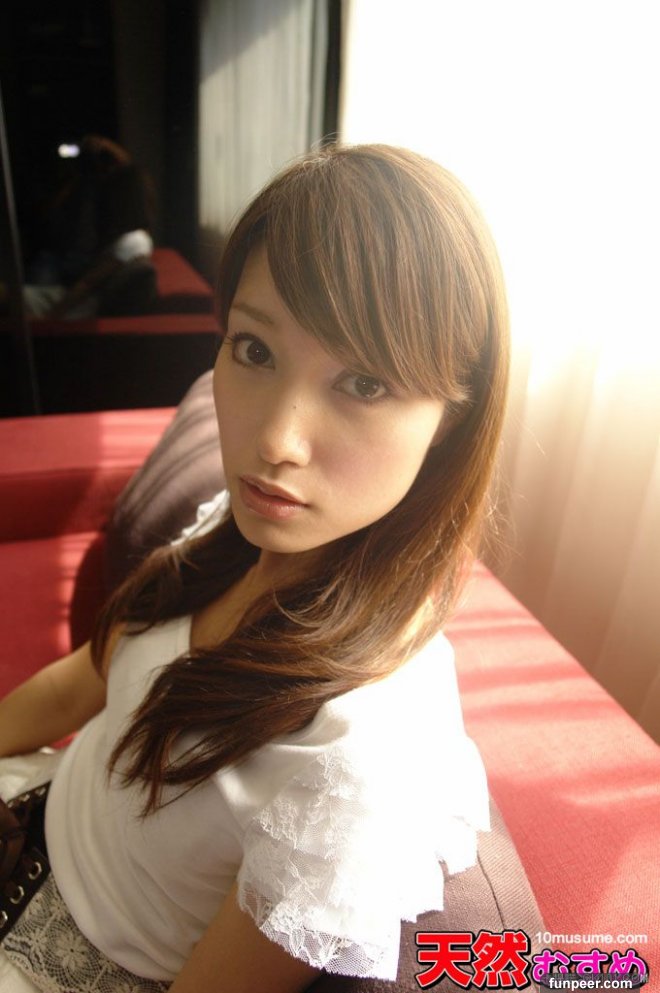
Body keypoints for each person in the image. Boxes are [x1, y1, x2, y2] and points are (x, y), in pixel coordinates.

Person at [0, 143, 510, 992]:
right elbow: (85, 677)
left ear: (451, 419)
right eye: (255, 349)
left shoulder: (362, 756)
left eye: (363, 383)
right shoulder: (244, 530)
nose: (275, 441)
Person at [22, 135, 157, 320]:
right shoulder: (128, 234)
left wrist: (50, 319)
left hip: (78, 304)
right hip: (65, 268)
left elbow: (87, 284)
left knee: (15, 296)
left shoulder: (133, 240)